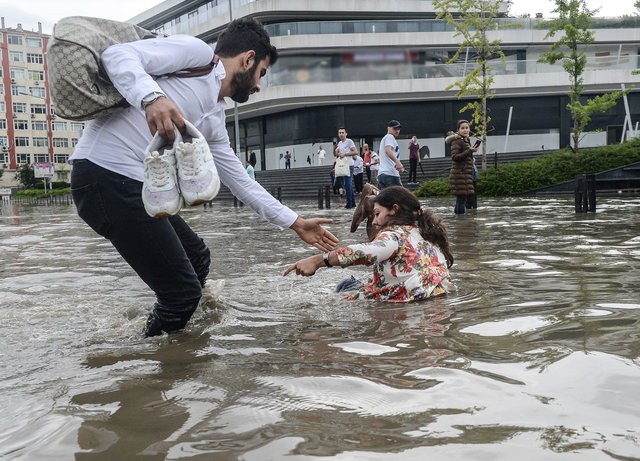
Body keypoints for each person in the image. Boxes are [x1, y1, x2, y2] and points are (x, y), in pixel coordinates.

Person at [69, 18, 339, 337]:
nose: (258, 86)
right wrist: (151, 98)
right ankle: (151, 367)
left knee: (198, 258)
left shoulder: (214, 117)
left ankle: (180, 339)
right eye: (261, 73)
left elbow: (240, 181)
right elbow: (116, 55)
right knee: (181, 295)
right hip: (104, 177)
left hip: (133, 187)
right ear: (247, 59)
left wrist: (294, 222)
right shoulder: (196, 53)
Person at [284, 186, 455, 302]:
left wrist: (318, 261)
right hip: (437, 296)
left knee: (345, 285)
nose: (374, 222)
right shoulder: (428, 233)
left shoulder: (394, 236)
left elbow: (367, 251)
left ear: (394, 210)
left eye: (377, 214)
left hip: (407, 301)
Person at [446, 119, 478, 215]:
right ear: (458, 130)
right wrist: (469, 151)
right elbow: (455, 157)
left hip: (464, 174)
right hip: (460, 175)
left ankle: (459, 223)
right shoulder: (457, 141)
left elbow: (463, 156)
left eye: (467, 128)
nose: (465, 130)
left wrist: (471, 158)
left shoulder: (465, 140)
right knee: (461, 200)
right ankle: (461, 223)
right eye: (462, 128)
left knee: (461, 200)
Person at [377, 120, 404, 190]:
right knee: (401, 198)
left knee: (388, 200)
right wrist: (398, 162)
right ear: (388, 128)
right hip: (390, 174)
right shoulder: (389, 137)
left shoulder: (385, 138)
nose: (397, 131)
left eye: (398, 129)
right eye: (395, 128)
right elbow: (388, 150)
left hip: (383, 174)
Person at [335, 127, 357, 208]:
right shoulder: (340, 143)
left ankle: (349, 203)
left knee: (347, 184)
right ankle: (353, 203)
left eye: (342, 132)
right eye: (339, 133)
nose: (341, 134)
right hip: (343, 165)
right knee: (347, 184)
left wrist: (345, 154)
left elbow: (355, 152)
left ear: (346, 134)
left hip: (349, 165)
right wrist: (337, 151)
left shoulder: (349, 141)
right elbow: (336, 153)